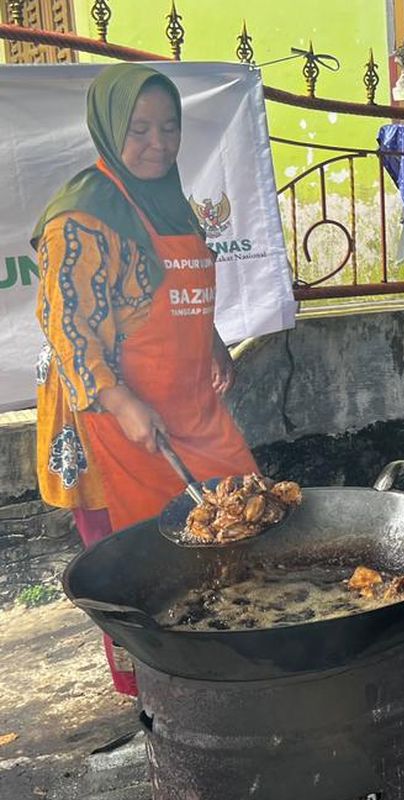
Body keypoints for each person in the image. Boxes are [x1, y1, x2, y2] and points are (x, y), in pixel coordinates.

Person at [33, 64, 259, 696]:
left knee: (240, 514)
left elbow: (174, 293)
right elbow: (66, 327)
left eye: (169, 127)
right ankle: (161, 695)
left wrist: (211, 342)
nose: (157, 143)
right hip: (109, 419)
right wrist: (120, 400)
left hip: (185, 406)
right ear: (109, 130)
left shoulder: (169, 197)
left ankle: (233, 660)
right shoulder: (80, 215)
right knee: (138, 563)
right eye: (138, 129)